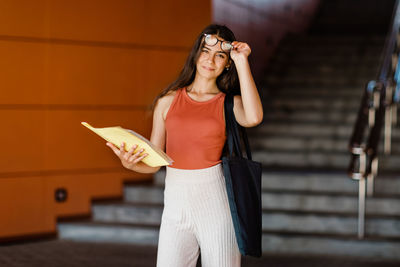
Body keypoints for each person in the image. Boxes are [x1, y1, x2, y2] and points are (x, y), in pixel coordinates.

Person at [106, 24, 263, 267]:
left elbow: (253, 117)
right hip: (175, 206)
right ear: (196, 54)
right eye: (205, 51)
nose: (210, 59)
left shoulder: (229, 103)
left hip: (217, 205)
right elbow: (155, 162)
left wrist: (242, 60)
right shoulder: (167, 101)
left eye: (219, 55)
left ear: (227, 63)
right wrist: (130, 164)